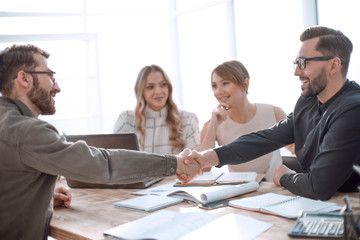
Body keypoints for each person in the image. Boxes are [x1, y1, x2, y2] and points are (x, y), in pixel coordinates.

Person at [0, 44, 201, 240]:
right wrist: (174, 163)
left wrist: (41, 197)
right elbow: (103, 163)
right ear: (24, 78)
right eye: (50, 76)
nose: (57, 87)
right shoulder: (27, 131)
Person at [186, 25, 360, 201]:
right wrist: (205, 158)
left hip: (350, 207)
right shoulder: (309, 101)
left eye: (303, 63)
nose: (296, 72)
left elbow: (317, 187)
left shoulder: (353, 110)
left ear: (333, 65)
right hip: (325, 203)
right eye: (296, 63)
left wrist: (283, 176)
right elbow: (266, 138)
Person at [199, 60, 294, 181]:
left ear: (245, 85)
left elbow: (297, 149)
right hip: (241, 192)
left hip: (274, 186)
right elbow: (203, 169)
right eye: (214, 86)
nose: (219, 91)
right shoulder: (212, 124)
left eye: (225, 83)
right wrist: (212, 126)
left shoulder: (274, 113)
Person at [113, 64, 200, 154]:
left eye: (163, 84)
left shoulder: (189, 119)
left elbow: (192, 164)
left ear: (169, 87)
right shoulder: (126, 120)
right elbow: (117, 161)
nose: (158, 91)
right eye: (150, 87)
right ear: (141, 91)